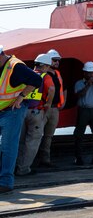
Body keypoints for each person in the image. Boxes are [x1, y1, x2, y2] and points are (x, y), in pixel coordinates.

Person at [0, 46, 43, 193]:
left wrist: (21, 96)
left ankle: (5, 182)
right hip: (1, 109)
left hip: (12, 111)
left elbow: (37, 80)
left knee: (7, 146)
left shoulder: (15, 67)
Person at [15, 53, 55, 176]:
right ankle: (23, 169)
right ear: (45, 66)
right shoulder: (45, 77)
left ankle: (14, 166)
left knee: (19, 140)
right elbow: (52, 90)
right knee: (32, 141)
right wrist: (48, 105)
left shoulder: (27, 74)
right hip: (36, 112)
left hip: (21, 111)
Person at [36, 48, 66, 168]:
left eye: (58, 60)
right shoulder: (42, 74)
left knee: (48, 136)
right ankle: (32, 160)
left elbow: (63, 88)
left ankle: (45, 159)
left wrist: (63, 103)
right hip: (43, 109)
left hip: (54, 109)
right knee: (37, 135)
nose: (57, 63)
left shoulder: (58, 74)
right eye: (55, 60)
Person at [73, 61, 93, 166]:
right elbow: (80, 95)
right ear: (84, 73)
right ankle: (78, 157)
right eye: (89, 73)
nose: (91, 75)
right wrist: (87, 85)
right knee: (79, 135)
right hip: (83, 110)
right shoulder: (79, 83)